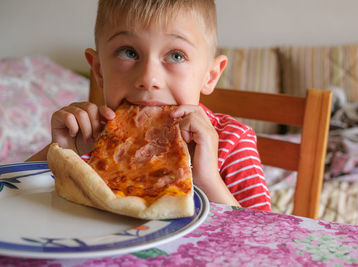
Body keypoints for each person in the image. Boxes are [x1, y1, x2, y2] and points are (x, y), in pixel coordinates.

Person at [27, 0, 271, 211]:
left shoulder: (232, 141)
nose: (148, 79)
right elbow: (11, 199)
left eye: (176, 55)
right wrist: (60, 154)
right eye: (129, 52)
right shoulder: (89, 139)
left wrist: (208, 180)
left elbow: (265, 239)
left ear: (210, 75)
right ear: (99, 70)